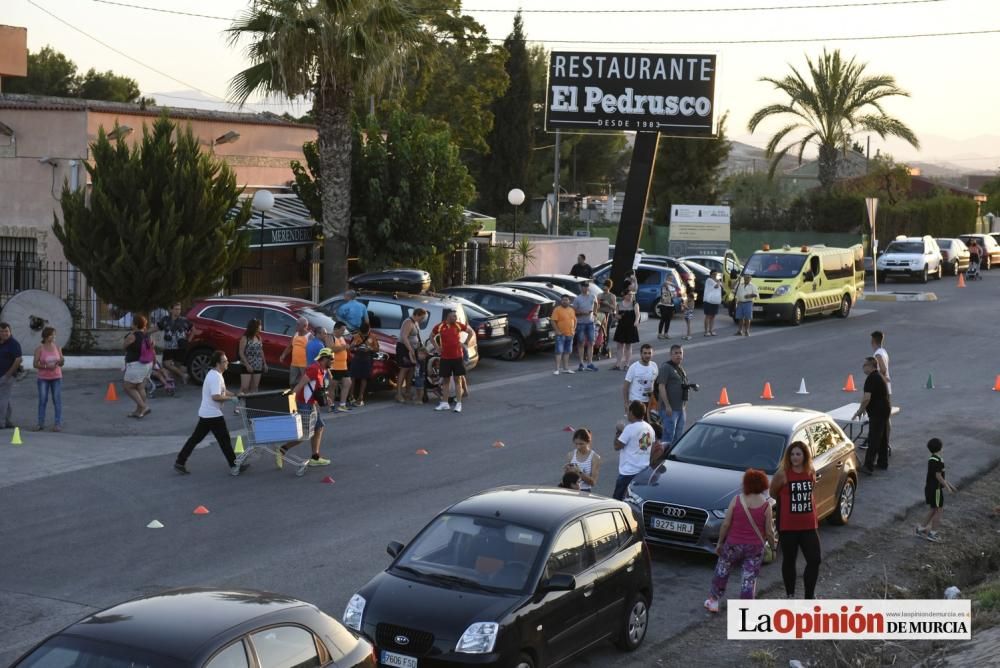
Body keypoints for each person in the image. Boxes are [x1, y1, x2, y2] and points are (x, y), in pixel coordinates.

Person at [704, 468, 775, 612]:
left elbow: (726, 524)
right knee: (749, 578)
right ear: (763, 485)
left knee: (722, 570)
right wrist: (773, 547)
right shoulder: (766, 505)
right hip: (755, 547)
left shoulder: (737, 499)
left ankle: (714, 601)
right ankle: (745, 608)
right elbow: (769, 531)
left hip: (732, 545)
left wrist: (720, 543)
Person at [174, 351, 247, 475]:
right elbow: (216, 396)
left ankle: (180, 461)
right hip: (213, 414)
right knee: (224, 440)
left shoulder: (216, 374)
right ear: (218, 363)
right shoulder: (215, 377)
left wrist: (235, 395)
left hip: (207, 413)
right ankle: (234, 465)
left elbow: (223, 391)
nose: (227, 362)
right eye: (224, 361)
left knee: (196, 438)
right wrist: (231, 399)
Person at [769, 441, 821, 599]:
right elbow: (773, 493)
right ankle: (790, 595)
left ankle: (809, 596)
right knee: (789, 561)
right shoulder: (782, 474)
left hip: (808, 525)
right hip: (788, 526)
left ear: (804, 455)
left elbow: (811, 490)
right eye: (792, 454)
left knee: (815, 560)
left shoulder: (810, 471)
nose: (795, 457)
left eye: (798, 454)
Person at [275, 347, 333, 469]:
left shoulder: (323, 370)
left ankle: (315, 457)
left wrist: (324, 398)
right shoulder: (313, 369)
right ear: (324, 359)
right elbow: (300, 385)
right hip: (305, 405)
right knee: (306, 434)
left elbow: (315, 389)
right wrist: (291, 402)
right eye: (331, 359)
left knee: (319, 427)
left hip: (311, 404)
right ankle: (282, 449)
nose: (333, 361)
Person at [431, 309, 476, 413]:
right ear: (447, 317)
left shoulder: (458, 325)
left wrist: (465, 343)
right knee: (446, 381)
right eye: (453, 316)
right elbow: (431, 336)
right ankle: (444, 403)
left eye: (455, 316)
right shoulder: (440, 326)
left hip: (457, 357)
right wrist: (437, 347)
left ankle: (458, 404)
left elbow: (470, 332)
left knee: (457, 380)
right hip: (445, 358)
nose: (455, 318)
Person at [855, 356, 891, 474]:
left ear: (871, 366)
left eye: (864, 365)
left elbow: (866, 398)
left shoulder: (871, 378)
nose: (863, 367)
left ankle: (868, 466)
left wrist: (860, 410)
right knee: (883, 437)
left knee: (874, 438)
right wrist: (865, 407)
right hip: (884, 409)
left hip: (878, 412)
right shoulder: (878, 376)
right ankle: (882, 462)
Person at [612, 400, 656, 500]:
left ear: (631, 412)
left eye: (628, 411)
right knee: (636, 500)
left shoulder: (629, 428)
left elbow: (617, 446)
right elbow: (652, 449)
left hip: (628, 472)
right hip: (643, 471)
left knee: (617, 500)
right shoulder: (650, 428)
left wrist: (619, 431)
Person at [916, 438, 957, 542]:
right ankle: (933, 533)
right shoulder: (939, 461)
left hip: (930, 488)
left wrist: (950, 485)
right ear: (941, 448)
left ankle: (921, 529)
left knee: (933, 509)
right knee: (939, 510)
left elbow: (940, 476)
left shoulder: (932, 459)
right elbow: (939, 476)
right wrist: (947, 488)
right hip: (936, 490)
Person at [657, 345, 698, 445]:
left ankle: (673, 456)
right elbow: (661, 387)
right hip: (670, 410)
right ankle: (664, 458)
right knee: (668, 437)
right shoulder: (666, 367)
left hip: (680, 409)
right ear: (670, 355)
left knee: (678, 437)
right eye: (676, 353)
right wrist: (667, 406)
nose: (678, 355)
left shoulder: (680, 368)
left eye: (680, 353)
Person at [33, 326, 64, 432]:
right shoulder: (39, 349)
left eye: (54, 334)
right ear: (45, 336)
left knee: (57, 400)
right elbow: (35, 364)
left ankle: (58, 424)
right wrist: (46, 367)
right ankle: (40, 423)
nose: (54, 337)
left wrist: (62, 360)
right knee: (42, 400)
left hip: (57, 377)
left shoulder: (57, 347)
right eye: (51, 335)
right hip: (43, 378)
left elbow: (62, 362)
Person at [122, 315, 153, 418]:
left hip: (136, 365)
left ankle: (143, 407)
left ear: (135, 324)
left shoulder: (132, 336)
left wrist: (129, 335)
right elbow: (152, 349)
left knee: (128, 387)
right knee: (140, 387)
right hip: (147, 364)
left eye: (132, 322)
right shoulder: (146, 335)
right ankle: (138, 411)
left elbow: (124, 346)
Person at [155, 302, 191, 386]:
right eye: (176, 309)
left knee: (177, 366)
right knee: (166, 364)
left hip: (180, 347)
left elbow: (193, 329)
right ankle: (183, 376)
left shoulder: (184, 320)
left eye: (179, 309)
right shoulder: (165, 319)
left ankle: (175, 383)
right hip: (169, 347)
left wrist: (189, 340)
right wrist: (146, 332)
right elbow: (157, 327)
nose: (178, 311)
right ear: (171, 310)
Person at [395, 308, 427, 403]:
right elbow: (404, 337)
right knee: (404, 369)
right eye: (421, 317)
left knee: (411, 369)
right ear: (417, 314)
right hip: (404, 348)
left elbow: (415, 336)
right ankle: (399, 393)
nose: (422, 320)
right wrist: (410, 349)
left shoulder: (415, 322)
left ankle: (407, 391)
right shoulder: (408, 322)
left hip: (412, 349)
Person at [349, 322, 379, 407]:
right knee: (353, 377)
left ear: (369, 330)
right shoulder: (355, 336)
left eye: (366, 333)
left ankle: (360, 397)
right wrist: (356, 347)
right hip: (357, 358)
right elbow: (350, 348)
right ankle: (351, 396)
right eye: (363, 333)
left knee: (364, 378)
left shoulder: (373, 336)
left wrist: (370, 348)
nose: (364, 334)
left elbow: (377, 349)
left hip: (367, 359)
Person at [623, 343, 658, 414]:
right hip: (636, 402)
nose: (647, 355)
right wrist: (626, 403)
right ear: (641, 354)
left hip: (650, 402)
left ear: (652, 354)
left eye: (649, 353)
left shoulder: (654, 366)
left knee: (649, 424)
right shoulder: (634, 367)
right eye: (645, 353)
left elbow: (657, 384)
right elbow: (625, 387)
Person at [0, 322, 22, 428]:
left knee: (3, 399)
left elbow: (18, 360)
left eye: (6, 331)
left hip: (7, 376)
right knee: (5, 399)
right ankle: (7, 421)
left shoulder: (14, 344)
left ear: (10, 331)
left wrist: (8, 374)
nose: (4, 333)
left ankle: (1, 422)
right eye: (1, 331)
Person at [572, 281, 599, 372]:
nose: (585, 288)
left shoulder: (592, 296)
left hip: (590, 322)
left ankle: (590, 363)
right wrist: (583, 313)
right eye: (583, 286)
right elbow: (574, 311)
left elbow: (596, 303)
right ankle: (581, 363)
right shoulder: (577, 299)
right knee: (581, 342)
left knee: (591, 342)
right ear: (581, 288)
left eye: (587, 286)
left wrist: (595, 313)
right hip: (580, 323)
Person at [565, 428, 601, 493]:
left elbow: (593, 482)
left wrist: (579, 472)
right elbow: (567, 479)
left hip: (585, 491)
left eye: (581, 444)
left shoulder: (595, 458)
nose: (578, 447)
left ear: (588, 442)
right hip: (571, 490)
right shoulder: (570, 455)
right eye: (576, 444)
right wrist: (567, 471)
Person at [238, 318, 267, 397]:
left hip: (258, 365)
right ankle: (238, 405)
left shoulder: (258, 337)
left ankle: (250, 406)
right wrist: (247, 365)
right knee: (244, 387)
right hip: (246, 365)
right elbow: (241, 352)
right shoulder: (245, 338)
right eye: (260, 325)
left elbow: (261, 351)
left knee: (255, 387)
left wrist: (264, 363)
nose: (261, 327)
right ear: (255, 327)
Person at [279, 317, 312, 387]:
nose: (296, 326)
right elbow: (290, 346)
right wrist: (283, 355)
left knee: (304, 384)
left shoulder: (309, 336)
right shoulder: (296, 334)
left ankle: (301, 397)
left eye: (298, 325)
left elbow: (312, 350)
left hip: (305, 365)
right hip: (294, 364)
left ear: (304, 326)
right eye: (296, 324)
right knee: (292, 383)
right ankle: (293, 397)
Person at [612, 290, 640, 370]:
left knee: (628, 346)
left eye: (632, 294)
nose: (631, 296)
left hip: (631, 326)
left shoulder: (635, 304)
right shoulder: (619, 304)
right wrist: (617, 316)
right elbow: (616, 315)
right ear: (624, 295)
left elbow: (637, 314)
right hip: (621, 326)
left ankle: (627, 364)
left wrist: (636, 321)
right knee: (619, 346)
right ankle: (618, 364)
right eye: (629, 294)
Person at [551, 293, 577, 375]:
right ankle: (557, 369)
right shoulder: (557, 309)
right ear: (561, 301)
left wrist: (574, 330)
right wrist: (557, 331)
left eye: (566, 300)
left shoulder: (571, 310)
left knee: (567, 352)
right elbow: (553, 321)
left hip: (570, 334)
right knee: (559, 352)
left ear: (569, 301)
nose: (565, 301)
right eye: (563, 300)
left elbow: (575, 320)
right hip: (560, 334)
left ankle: (566, 368)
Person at [329, 321, 352, 412]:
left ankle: (342, 405)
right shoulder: (330, 337)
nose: (343, 332)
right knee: (332, 386)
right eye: (342, 330)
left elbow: (344, 348)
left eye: (344, 330)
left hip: (343, 366)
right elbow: (331, 348)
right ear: (336, 329)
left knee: (347, 383)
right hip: (334, 367)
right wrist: (344, 347)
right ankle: (331, 406)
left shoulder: (342, 338)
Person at [656, 274, 677, 340]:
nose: (670, 279)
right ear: (667, 278)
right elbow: (665, 283)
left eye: (671, 279)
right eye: (669, 278)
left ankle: (666, 334)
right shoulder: (665, 284)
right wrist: (671, 285)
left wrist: (673, 293)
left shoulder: (673, 287)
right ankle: (659, 334)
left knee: (668, 320)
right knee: (663, 319)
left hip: (670, 305)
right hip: (663, 305)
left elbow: (674, 295)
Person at [703, 270, 723, 336]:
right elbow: (716, 286)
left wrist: (719, 282)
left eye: (716, 274)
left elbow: (721, 287)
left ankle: (711, 330)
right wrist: (719, 281)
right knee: (708, 316)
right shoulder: (709, 280)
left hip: (715, 301)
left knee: (713, 316)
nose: (715, 276)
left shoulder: (717, 281)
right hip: (708, 300)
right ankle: (706, 332)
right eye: (714, 274)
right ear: (710, 275)